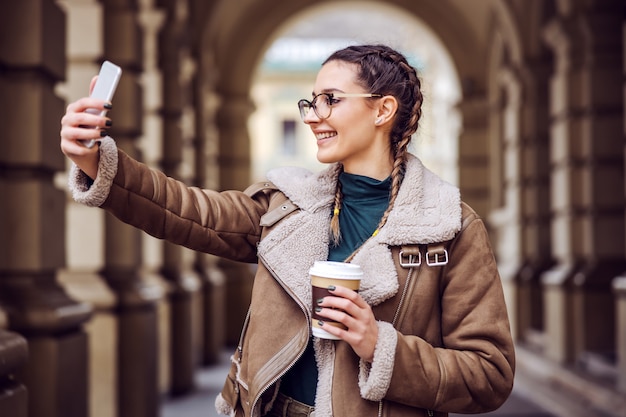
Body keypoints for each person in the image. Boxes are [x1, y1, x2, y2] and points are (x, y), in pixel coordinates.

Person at [60, 44, 515, 417]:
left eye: (330, 100)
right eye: (310, 102)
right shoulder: (286, 204)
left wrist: (381, 345)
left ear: (383, 110)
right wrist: (96, 162)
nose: (312, 116)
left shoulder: (448, 225)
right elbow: (185, 210)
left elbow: (489, 375)